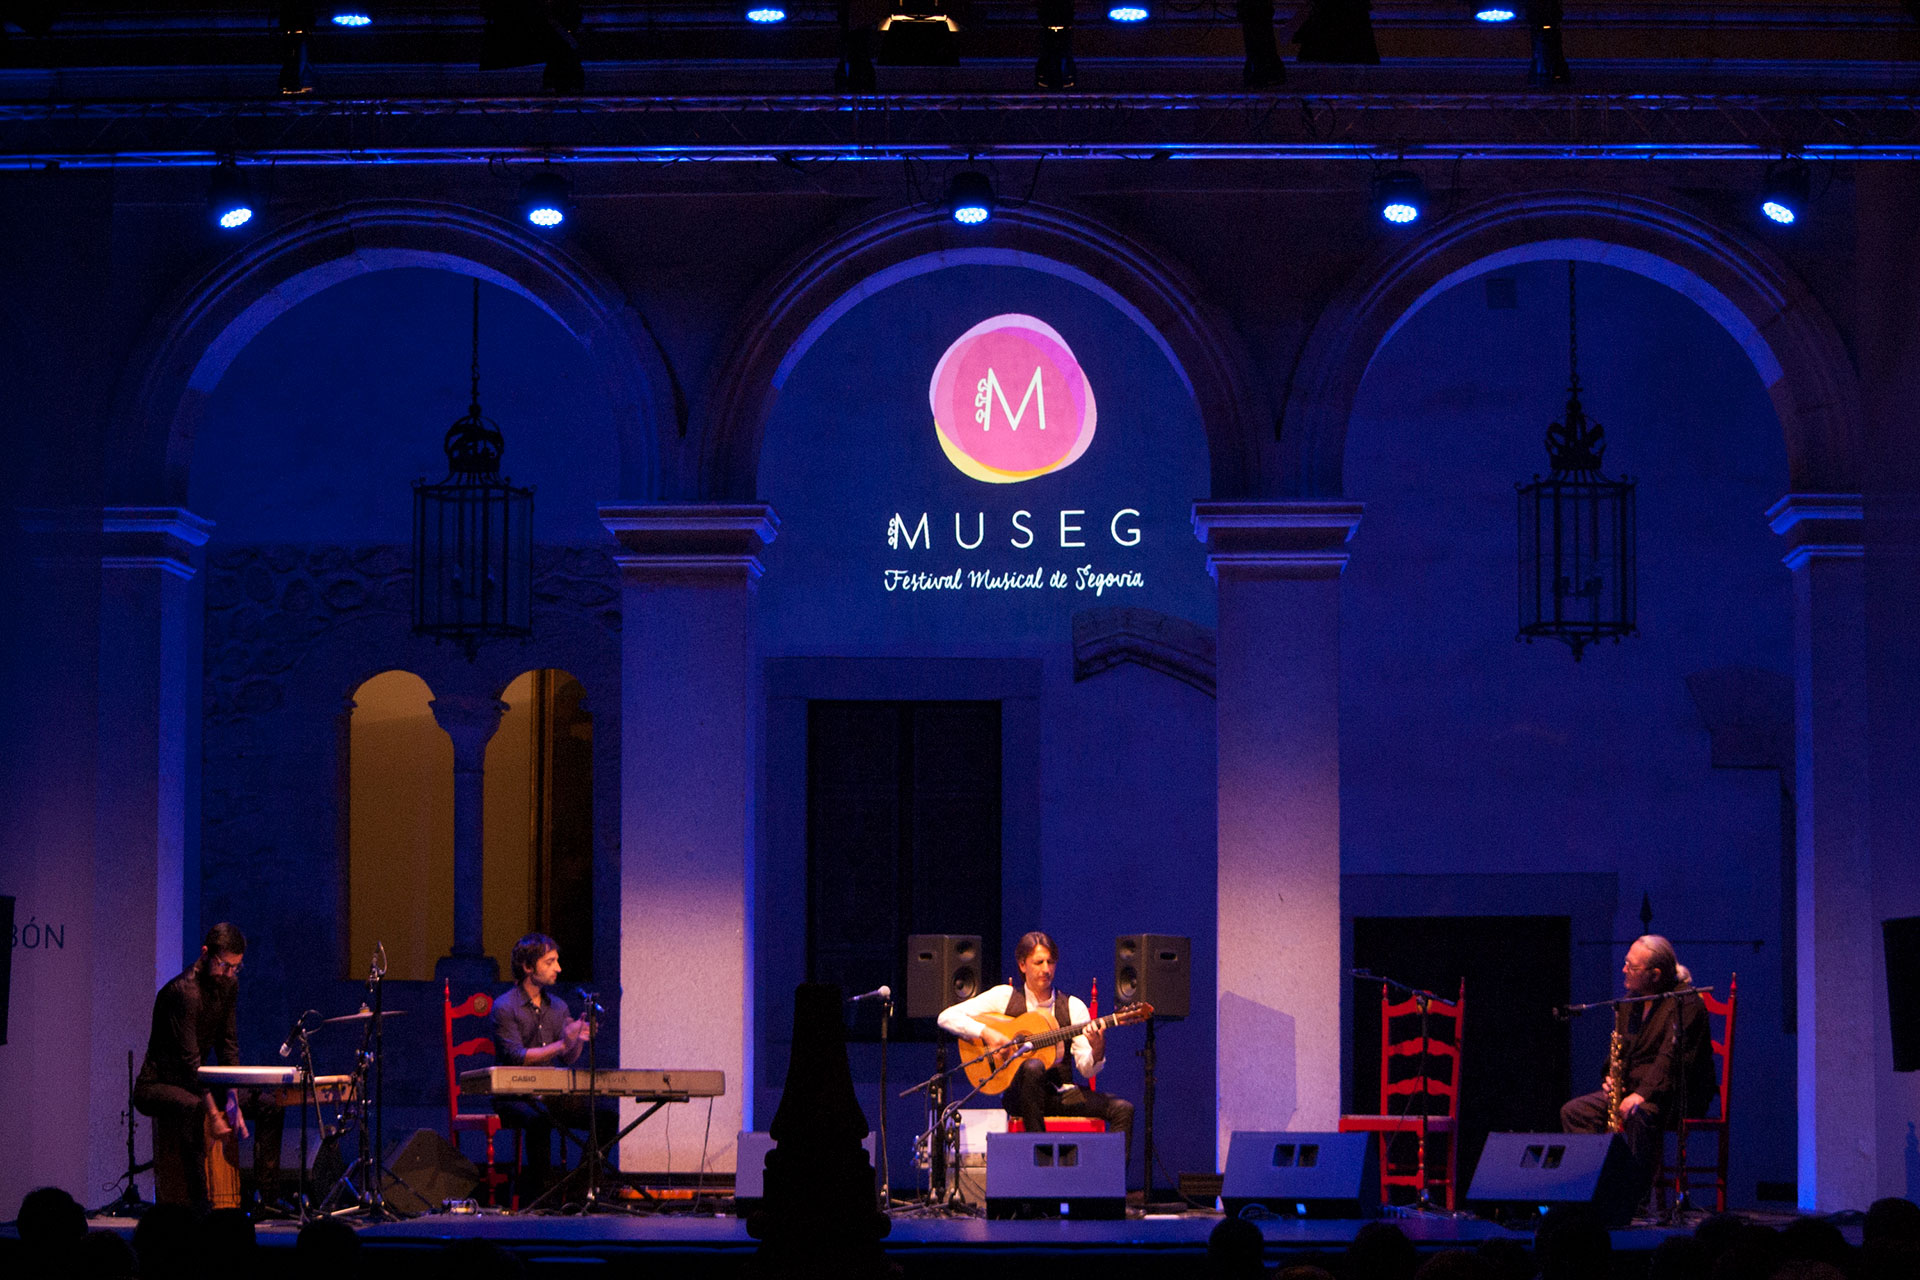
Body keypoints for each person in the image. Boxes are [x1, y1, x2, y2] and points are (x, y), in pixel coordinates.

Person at [936, 931, 1135, 1167]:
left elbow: (1087, 1071)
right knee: (1033, 1066)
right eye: (1038, 962)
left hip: (1059, 1094)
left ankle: (1108, 1188)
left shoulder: (1072, 1007)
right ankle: (1043, 1167)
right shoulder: (1004, 997)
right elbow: (946, 1017)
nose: (1046, 969)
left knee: (1124, 1110)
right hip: (1019, 1095)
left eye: (1050, 962)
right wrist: (987, 1033)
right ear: (1022, 965)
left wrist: (1097, 1048)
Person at [133, 922, 284, 1211]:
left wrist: (233, 1099)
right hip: (159, 1084)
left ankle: (268, 1200)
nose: (229, 974)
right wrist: (214, 1112)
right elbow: (189, 1063)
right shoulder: (183, 992)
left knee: (269, 1106)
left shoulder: (228, 984)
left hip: (195, 1080)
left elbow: (228, 1046)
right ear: (205, 954)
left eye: (235, 968)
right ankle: (200, 1206)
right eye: (224, 965)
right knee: (195, 1108)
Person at [1559, 935, 1712, 1195]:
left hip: (1672, 1095)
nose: (1624, 970)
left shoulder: (1686, 1003)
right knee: (1574, 1112)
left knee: (1638, 1114)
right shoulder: (1632, 1002)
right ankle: (1596, 1185)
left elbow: (1670, 1059)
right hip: (1633, 1089)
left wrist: (1640, 1095)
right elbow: (1619, 1054)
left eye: (1631, 967)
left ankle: (1634, 1198)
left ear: (1655, 974)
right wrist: (1611, 1079)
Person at [490, 932, 603, 1201]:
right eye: (550, 962)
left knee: (605, 1118)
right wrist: (563, 1044)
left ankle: (579, 1193)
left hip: (548, 1095)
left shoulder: (558, 1006)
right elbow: (516, 1056)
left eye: (557, 961)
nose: (558, 968)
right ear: (529, 967)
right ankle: (543, 1198)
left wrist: (577, 1039)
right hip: (514, 1097)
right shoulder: (504, 1006)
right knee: (539, 1118)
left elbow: (567, 1058)